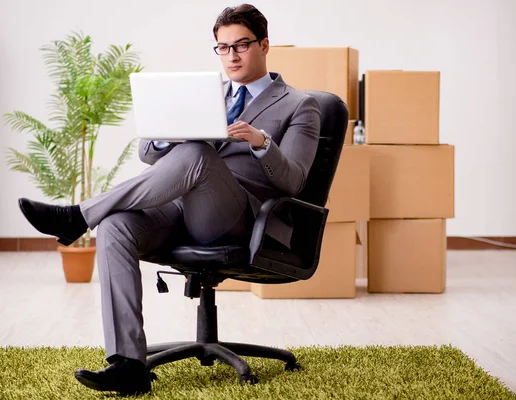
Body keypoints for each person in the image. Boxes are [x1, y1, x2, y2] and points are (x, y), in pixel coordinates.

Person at [17, 3, 321, 396]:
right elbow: (148, 151)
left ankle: (78, 215)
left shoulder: (300, 104)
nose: (231, 55)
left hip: (243, 217)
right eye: (223, 48)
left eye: (241, 46)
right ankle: (128, 365)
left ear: (264, 45)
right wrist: (168, 134)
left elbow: (295, 180)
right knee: (115, 225)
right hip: (181, 208)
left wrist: (261, 142)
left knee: (197, 154)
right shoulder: (205, 94)